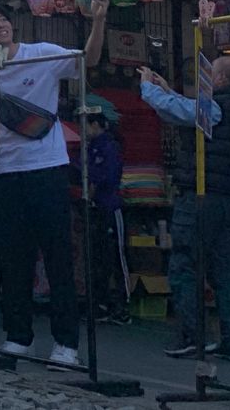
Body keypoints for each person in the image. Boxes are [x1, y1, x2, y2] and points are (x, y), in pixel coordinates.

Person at [0, 0, 109, 368]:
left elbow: (88, 60)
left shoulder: (41, 53)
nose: (0, 25)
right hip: (8, 171)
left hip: (48, 167)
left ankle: (66, 343)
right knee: (15, 259)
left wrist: (98, 21)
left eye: (2, 19)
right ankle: (18, 337)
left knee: (58, 255)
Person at [139, 59, 230, 364]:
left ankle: (193, 335)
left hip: (204, 196)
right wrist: (167, 91)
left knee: (183, 264)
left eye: (210, 72)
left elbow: (185, 112)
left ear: (221, 78)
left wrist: (149, 90)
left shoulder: (217, 107)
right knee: (224, 271)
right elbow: (187, 111)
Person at [82, 107, 131, 326]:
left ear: (95, 125)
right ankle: (101, 303)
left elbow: (105, 178)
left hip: (111, 207)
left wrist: (92, 189)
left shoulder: (109, 147)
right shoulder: (91, 148)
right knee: (98, 258)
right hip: (97, 208)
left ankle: (123, 304)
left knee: (117, 256)